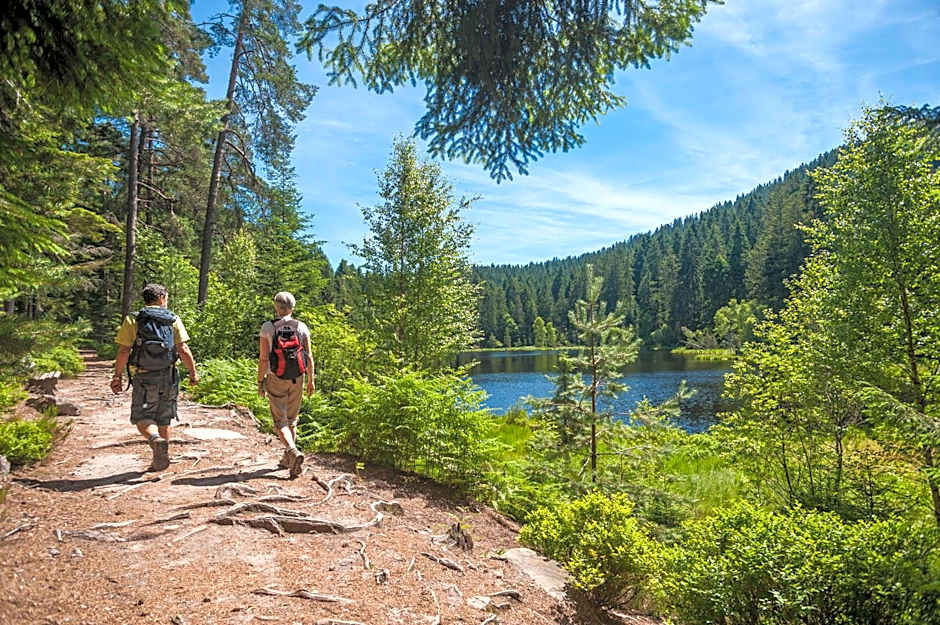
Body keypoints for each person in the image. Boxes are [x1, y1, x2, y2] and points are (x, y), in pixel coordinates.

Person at [110, 284, 198, 471]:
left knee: (142, 417)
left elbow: (124, 350)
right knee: (164, 418)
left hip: (144, 376)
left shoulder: (133, 319)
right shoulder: (173, 319)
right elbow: (183, 349)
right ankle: (160, 459)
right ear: (162, 298)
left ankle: (155, 440)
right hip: (169, 375)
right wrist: (193, 373)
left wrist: (117, 376)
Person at [258, 291, 315, 479]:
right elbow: (309, 356)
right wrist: (311, 380)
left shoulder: (268, 327)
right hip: (297, 378)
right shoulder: (302, 327)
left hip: (276, 378)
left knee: (280, 421)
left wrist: (260, 382)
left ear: (276, 307)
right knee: (292, 419)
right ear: (293, 307)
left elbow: (264, 358)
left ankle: (291, 451)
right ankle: (288, 460)